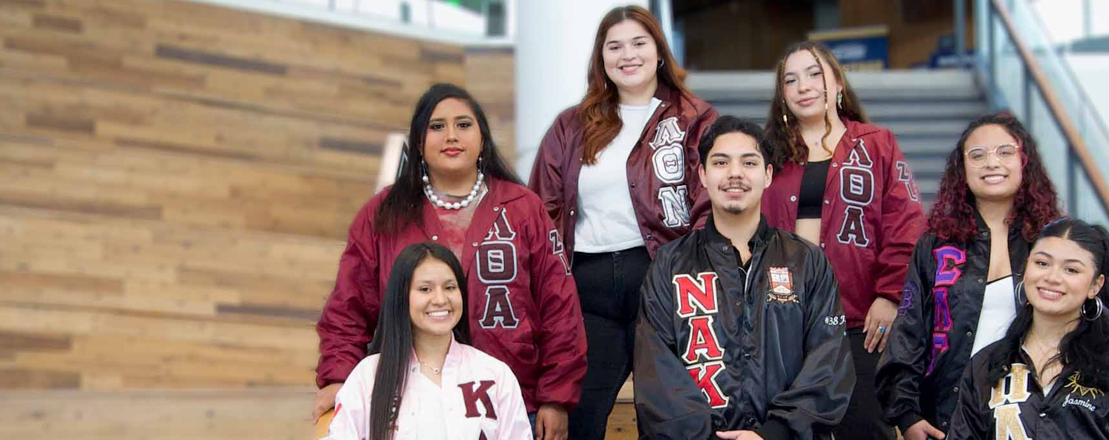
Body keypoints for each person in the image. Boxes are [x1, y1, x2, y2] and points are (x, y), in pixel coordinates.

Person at [316, 84, 586, 440]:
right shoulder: (382, 215)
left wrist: (556, 396)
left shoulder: (524, 209)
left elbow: (559, 305)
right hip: (406, 401)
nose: (451, 136)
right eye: (437, 126)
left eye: (463, 124)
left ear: (483, 138)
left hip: (512, 399)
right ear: (417, 142)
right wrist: (339, 377)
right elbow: (348, 306)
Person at [527, 7, 720, 439]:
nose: (627, 55)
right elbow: (544, 211)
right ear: (601, 58)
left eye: (639, 43)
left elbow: (710, 205)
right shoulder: (571, 125)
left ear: (658, 51)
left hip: (662, 280)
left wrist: (697, 274)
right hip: (587, 287)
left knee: (668, 417)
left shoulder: (695, 118)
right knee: (580, 416)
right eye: (614, 46)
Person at [634, 116, 852, 440]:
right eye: (721, 162)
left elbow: (829, 362)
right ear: (703, 175)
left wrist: (774, 433)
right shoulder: (670, 264)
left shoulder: (806, 262)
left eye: (748, 162)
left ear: (767, 175)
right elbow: (656, 370)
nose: (735, 173)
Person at [759, 41, 924, 440]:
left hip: (858, 317)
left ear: (837, 83)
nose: (804, 86)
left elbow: (906, 223)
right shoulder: (768, 153)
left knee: (866, 426)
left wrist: (889, 294)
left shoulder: (876, 144)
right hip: (784, 321)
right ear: (782, 94)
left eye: (815, 74)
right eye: (791, 80)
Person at [877, 113, 1062, 439]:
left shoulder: (1055, 242)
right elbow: (908, 334)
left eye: (1004, 152)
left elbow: (1088, 330)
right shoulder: (935, 244)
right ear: (962, 171)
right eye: (977, 155)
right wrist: (906, 415)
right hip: (950, 415)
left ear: (1024, 161)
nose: (992, 163)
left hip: (1039, 414)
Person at [947, 219, 1109, 440]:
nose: (1052, 277)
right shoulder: (987, 364)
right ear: (1025, 269)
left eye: (1071, 270)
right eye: (1042, 263)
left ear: (1095, 286)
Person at [323, 242, 533, 440]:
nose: (440, 299)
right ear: (402, 297)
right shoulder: (368, 376)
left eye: (450, 287)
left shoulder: (495, 375)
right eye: (425, 289)